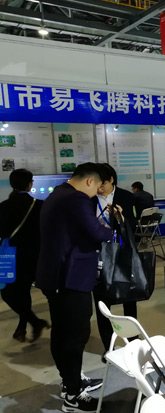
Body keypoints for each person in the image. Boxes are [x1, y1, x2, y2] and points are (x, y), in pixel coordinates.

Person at [36, 163, 115, 412]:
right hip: (70, 279)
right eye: (97, 187)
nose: (97, 192)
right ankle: (73, 396)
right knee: (75, 335)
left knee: (62, 332)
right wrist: (110, 230)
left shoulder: (57, 194)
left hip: (55, 277)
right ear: (90, 181)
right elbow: (96, 232)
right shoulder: (77, 199)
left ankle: (70, 381)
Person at [92, 163, 138, 358]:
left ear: (111, 180)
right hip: (98, 255)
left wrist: (120, 218)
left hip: (122, 254)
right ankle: (108, 347)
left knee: (129, 299)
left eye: (102, 183)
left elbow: (133, 226)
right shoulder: (89, 198)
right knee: (102, 302)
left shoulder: (126, 197)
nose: (99, 188)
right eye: (96, 184)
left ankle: (134, 344)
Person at [0, 169, 49, 343]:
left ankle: (30, 323)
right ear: (29, 184)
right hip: (34, 256)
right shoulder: (40, 206)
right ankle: (28, 325)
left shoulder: (3, 207)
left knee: (7, 293)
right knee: (24, 290)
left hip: (9, 256)